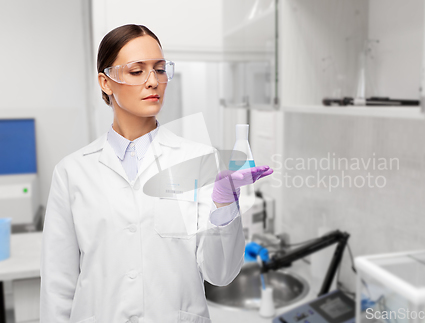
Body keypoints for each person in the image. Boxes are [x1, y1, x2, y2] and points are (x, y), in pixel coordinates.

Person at [40, 24, 273, 323]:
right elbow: (57, 288)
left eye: (160, 70)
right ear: (106, 82)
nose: (153, 82)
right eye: (137, 71)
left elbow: (221, 274)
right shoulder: (72, 172)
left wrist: (225, 205)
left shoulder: (199, 159)